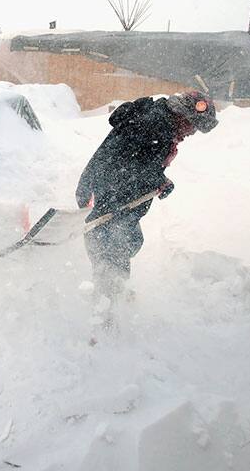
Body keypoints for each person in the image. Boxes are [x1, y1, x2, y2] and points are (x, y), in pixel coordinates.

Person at [75, 91, 218, 329]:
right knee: (113, 248)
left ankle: (111, 294)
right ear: (182, 115)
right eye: (192, 126)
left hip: (113, 193)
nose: (190, 133)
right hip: (109, 194)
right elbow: (127, 164)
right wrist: (156, 179)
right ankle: (104, 315)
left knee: (129, 241)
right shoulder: (155, 124)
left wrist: (159, 179)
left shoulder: (160, 121)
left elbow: (142, 163)